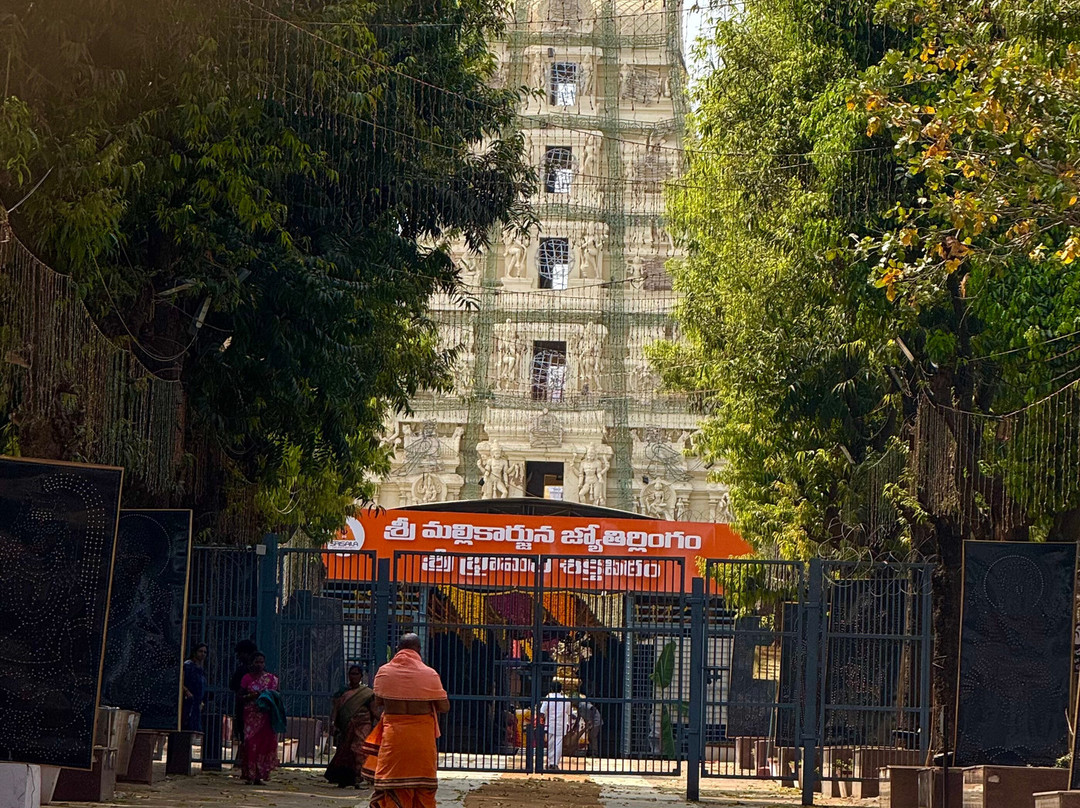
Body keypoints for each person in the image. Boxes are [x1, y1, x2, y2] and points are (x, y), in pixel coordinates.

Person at [362, 634, 449, 808]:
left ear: (397, 649)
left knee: (392, 787)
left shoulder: (384, 672)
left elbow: (378, 702)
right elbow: (444, 706)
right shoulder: (430, 674)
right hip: (422, 741)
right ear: (418, 650)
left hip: (394, 740)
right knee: (424, 789)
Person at [324, 665, 379, 788]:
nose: (354, 676)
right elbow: (336, 709)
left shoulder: (367, 694)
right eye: (352, 674)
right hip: (346, 726)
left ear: (361, 676)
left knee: (359, 749)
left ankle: (360, 777)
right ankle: (346, 778)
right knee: (345, 751)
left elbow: (374, 711)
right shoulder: (342, 692)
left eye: (356, 674)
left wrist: (383, 722)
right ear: (348, 675)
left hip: (362, 725)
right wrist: (333, 724)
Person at [238, 652, 280, 785]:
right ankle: (249, 774)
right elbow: (239, 696)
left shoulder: (271, 679)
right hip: (251, 715)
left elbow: (276, 696)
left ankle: (259, 776)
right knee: (250, 743)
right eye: (257, 662)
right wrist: (254, 696)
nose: (259, 665)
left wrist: (267, 696)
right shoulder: (246, 678)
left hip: (266, 716)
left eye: (262, 662)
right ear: (252, 663)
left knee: (263, 745)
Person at [229, 639, 258, 758]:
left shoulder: (242, 670)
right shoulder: (259, 672)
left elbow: (233, 686)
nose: (238, 657)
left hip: (245, 707)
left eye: (240, 653)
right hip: (254, 707)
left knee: (243, 734)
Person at [538, 681, 570, 772]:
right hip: (561, 724)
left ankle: (550, 763)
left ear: (551, 689)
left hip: (550, 724)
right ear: (561, 689)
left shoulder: (549, 697)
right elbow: (568, 711)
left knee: (550, 744)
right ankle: (555, 763)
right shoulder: (565, 698)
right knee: (558, 744)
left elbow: (542, 711)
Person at [182, 643, 208, 732]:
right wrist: (186, 691)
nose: (203, 654)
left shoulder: (201, 668)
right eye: (200, 651)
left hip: (197, 703)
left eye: (205, 652)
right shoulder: (188, 665)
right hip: (188, 701)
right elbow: (180, 680)